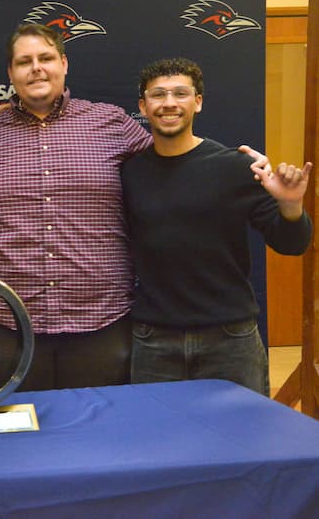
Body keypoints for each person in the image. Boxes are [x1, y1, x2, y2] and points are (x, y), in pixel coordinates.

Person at [0, 23, 152, 391]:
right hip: (7, 323)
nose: (36, 68)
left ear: (64, 64)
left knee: (98, 438)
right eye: (24, 61)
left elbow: (175, 167)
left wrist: (237, 168)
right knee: (17, 441)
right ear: (10, 73)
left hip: (100, 319)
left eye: (46, 58)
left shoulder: (111, 122)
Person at [122, 57, 312, 395]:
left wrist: (291, 205)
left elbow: (291, 244)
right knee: (157, 444)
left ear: (198, 102)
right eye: (158, 95)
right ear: (143, 105)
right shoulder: (129, 173)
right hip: (154, 342)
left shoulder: (236, 167)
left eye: (180, 94)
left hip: (230, 341)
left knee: (244, 443)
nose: (169, 103)